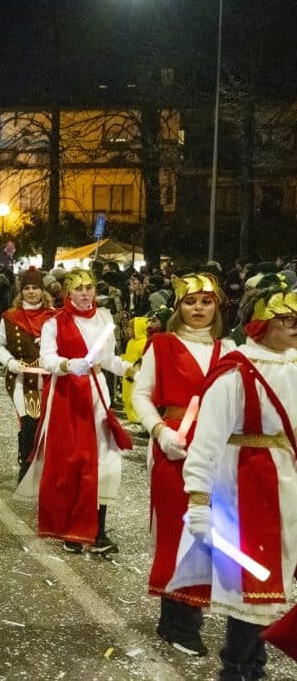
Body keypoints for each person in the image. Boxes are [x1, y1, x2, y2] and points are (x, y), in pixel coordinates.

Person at [170, 273, 297, 679]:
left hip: (289, 486)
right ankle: (241, 668)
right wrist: (199, 501)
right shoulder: (236, 372)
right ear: (261, 322)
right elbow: (206, 442)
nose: (295, 325)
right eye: (286, 318)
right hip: (247, 490)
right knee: (251, 589)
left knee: (279, 582)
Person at [131, 273, 231, 657]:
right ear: (178, 308)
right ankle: (178, 620)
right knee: (178, 534)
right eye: (190, 302)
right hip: (175, 447)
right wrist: (158, 431)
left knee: (207, 536)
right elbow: (141, 394)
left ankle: (183, 618)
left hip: (216, 452)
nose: (198, 309)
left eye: (206, 302)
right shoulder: (162, 345)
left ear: (217, 307)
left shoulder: (229, 349)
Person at [15, 268, 136, 554]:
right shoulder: (55, 323)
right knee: (72, 463)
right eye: (79, 289)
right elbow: (47, 358)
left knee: (105, 460)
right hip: (67, 396)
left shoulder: (104, 318)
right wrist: (68, 365)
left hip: (96, 393)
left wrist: (128, 369)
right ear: (68, 292)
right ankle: (70, 528)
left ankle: (98, 531)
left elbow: (108, 359)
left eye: (89, 288)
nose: (85, 294)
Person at [0, 267, 58, 482]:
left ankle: (47, 464)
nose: (31, 292)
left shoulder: (55, 317)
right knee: (30, 419)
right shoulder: (10, 318)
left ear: (42, 291)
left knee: (48, 423)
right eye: (27, 288)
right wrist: (10, 363)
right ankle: (27, 463)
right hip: (22, 378)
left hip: (49, 378)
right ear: (22, 292)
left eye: (35, 288)